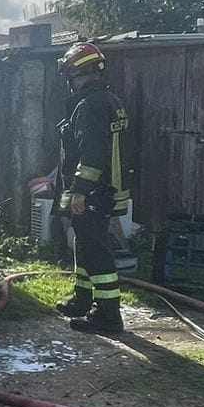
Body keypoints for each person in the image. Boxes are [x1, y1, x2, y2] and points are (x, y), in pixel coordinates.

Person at [55, 41, 132, 335]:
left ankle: (108, 315)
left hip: (92, 192)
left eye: (71, 76)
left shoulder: (89, 106)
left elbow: (92, 155)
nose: (70, 83)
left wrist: (80, 191)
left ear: (79, 74)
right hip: (105, 189)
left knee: (96, 250)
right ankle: (83, 299)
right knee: (85, 244)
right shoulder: (110, 101)